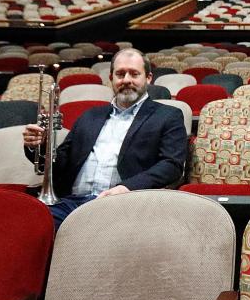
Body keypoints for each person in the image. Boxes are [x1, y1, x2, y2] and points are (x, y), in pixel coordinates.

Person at [23, 47, 187, 229]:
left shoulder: (167, 116)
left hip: (125, 206)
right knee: (25, 223)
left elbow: (172, 165)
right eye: (120, 74)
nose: (126, 80)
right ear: (111, 79)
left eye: (134, 74)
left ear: (148, 78)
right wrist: (41, 145)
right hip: (71, 204)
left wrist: (127, 188)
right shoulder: (90, 116)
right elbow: (61, 163)